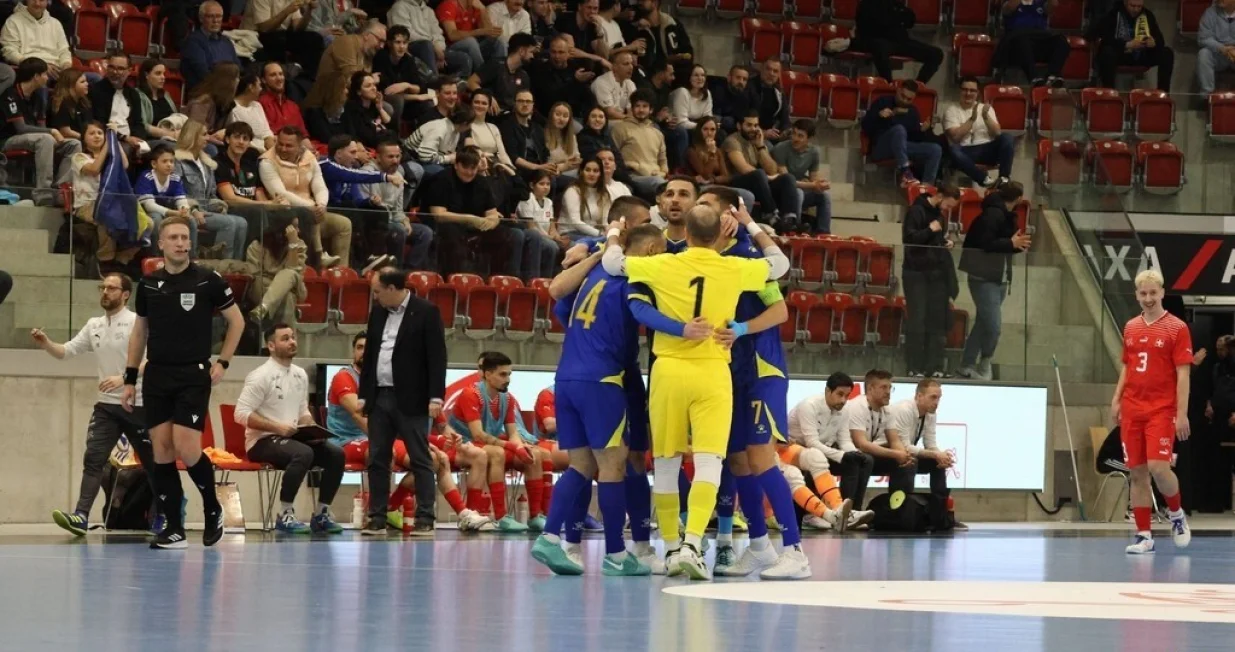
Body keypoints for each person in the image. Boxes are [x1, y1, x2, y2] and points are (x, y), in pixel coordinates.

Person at [600, 203, 794, 580]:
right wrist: (750, 223)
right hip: (712, 371)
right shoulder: (735, 267)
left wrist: (613, 232)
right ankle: (693, 544)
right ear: (719, 235)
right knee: (709, 462)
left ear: (685, 234)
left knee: (668, 463)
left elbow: (612, 264)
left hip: (669, 370)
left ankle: (671, 548)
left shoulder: (663, 264)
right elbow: (780, 264)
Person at [689, 187, 815, 579]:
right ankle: (759, 546)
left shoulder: (748, 255)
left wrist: (742, 328)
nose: (699, 209)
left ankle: (795, 552)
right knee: (740, 461)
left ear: (728, 212)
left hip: (762, 369)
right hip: (731, 373)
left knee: (762, 458)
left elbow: (779, 311)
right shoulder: (712, 257)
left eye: (706, 204)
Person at [530, 225, 665, 576]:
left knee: (580, 465)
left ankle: (549, 538)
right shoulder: (633, 280)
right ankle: (617, 555)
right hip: (603, 379)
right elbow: (647, 319)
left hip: (567, 377)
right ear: (650, 250)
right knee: (614, 463)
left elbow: (561, 307)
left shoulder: (594, 274)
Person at [121, 215, 245, 549]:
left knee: (188, 449)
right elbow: (139, 332)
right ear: (160, 243)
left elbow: (237, 322)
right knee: (161, 450)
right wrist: (130, 378)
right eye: (172, 237)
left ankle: (212, 508)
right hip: (158, 375)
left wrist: (223, 362)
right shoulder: (148, 284)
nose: (179, 243)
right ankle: (174, 527)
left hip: (193, 374)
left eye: (184, 237)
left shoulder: (208, 280)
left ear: (190, 243)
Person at [35, 273, 161, 536]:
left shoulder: (138, 322)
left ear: (126, 294)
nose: (105, 292)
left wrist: (125, 377)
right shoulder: (94, 324)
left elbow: (154, 360)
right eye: (102, 287)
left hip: (138, 405)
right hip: (106, 407)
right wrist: (46, 343)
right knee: (93, 459)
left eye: (112, 288)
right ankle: (81, 516)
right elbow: (67, 351)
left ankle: (163, 517)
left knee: (154, 463)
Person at [329, 332, 494, 530]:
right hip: (349, 439)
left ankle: (462, 514)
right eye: (360, 348)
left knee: (436, 459)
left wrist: (448, 435)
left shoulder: (393, 382)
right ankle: (378, 513)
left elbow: (436, 422)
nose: (365, 352)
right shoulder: (344, 377)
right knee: (390, 451)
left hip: (387, 436)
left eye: (370, 348)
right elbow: (360, 415)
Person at [357, 268, 449, 536]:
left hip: (413, 397)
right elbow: (371, 354)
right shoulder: (378, 313)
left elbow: (437, 357)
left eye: (377, 291)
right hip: (380, 395)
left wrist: (435, 396)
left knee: (421, 458)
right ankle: (376, 516)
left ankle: (425, 518)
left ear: (393, 288)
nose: (374, 297)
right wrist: (365, 394)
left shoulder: (426, 311)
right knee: (377, 458)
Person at [1110, 269, 1193, 553]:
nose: (1148, 298)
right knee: (1137, 472)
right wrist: (1116, 399)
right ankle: (1144, 535)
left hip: (1161, 409)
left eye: (1153, 293)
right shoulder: (1131, 327)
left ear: (1162, 293)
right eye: (1143, 294)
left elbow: (1183, 375)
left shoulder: (1176, 328)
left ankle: (1176, 514)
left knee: (1159, 467)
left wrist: (1181, 414)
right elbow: (1127, 366)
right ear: (1137, 295)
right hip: (1133, 408)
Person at [235, 324, 346, 534]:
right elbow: (240, 413)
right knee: (303, 453)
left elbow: (302, 409)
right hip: (262, 441)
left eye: (293, 337)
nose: (292, 342)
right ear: (271, 345)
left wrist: (311, 428)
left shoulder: (300, 374)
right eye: (285, 338)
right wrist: (277, 427)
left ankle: (322, 513)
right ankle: (285, 514)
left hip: (293, 438)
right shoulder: (260, 376)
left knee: (335, 454)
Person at [448, 351, 552, 531]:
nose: (508, 379)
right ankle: (502, 516)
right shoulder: (470, 394)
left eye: (509, 374)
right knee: (497, 453)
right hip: (463, 443)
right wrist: (513, 447)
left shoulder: (508, 398)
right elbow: (478, 434)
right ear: (488, 375)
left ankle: (535, 516)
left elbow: (512, 433)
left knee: (533, 453)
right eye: (503, 374)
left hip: (490, 443)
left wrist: (520, 447)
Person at [957, 180, 1032, 380]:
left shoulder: (1007, 216)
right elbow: (986, 243)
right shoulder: (992, 214)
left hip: (1000, 276)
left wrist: (1016, 245)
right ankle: (985, 361)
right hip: (984, 277)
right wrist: (1010, 242)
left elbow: (1004, 244)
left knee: (983, 322)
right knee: (993, 325)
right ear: (1018, 198)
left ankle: (967, 363)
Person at [782, 372, 876, 530]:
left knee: (862, 460)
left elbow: (844, 440)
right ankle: (810, 515)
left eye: (847, 396)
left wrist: (854, 454)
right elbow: (812, 442)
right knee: (817, 457)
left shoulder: (844, 410)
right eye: (840, 394)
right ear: (827, 391)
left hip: (820, 451)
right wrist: (843, 455)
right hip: (795, 452)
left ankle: (850, 514)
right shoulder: (809, 405)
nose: (843, 400)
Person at [424, 146, 527, 278]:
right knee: (452, 236)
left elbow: (492, 213)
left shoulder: (482, 182)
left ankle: (498, 279)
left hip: (476, 226)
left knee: (509, 236)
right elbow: (439, 214)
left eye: (473, 168)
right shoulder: (442, 179)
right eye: (465, 167)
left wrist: (492, 222)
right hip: (448, 225)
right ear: (456, 165)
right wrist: (469, 218)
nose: (469, 172)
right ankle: (456, 279)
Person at [259, 126, 354, 268]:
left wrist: (321, 204)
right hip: (285, 214)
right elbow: (279, 193)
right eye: (280, 144)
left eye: (289, 145)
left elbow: (320, 186)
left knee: (343, 224)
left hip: (313, 210)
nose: (283, 148)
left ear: (299, 146)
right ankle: (317, 258)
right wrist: (310, 207)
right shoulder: (266, 161)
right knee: (307, 215)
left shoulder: (309, 158)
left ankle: (341, 273)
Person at [0, 57, 78, 206]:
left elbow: (41, 125)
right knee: (46, 139)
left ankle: (60, 192)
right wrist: (52, 131)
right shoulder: (10, 95)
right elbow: (20, 128)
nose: (47, 78)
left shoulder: (39, 97)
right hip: (9, 139)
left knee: (73, 144)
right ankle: (43, 194)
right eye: (44, 74)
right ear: (36, 76)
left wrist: (49, 132)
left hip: (35, 138)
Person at [902, 182, 960, 378]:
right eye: (949, 205)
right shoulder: (916, 211)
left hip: (935, 274)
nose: (949, 210)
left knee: (936, 320)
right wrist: (929, 230)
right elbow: (909, 239)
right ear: (941, 196)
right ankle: (914, 367)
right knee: (917, 319)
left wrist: (945, 242)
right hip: (916, 273)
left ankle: (934, 367)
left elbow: (934, 240)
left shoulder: (939, 217)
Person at [173, 121, 249, 260]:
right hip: (188, 211)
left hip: (206, 210)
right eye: (204, 134)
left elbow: (212, 194)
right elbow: (175, 192)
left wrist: (219, 206)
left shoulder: (207, 164)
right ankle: (221, 266)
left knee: (242, 222)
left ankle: (235, 265)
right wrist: (194, 209)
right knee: (229, 223)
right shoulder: (177, 161)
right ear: (192, 136)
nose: (208, 138)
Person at [885, 379, 958, 514]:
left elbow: (930, 444)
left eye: (939, 398)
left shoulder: (930, 413)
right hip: (887, 451)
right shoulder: (904, 409)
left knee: (937, 463)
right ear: (919, 396)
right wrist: (935, 454)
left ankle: (941, 513)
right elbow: (904, 447)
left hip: (904, 452)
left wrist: (941, 456)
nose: (936, 402)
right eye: (933, 397)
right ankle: (902, 512)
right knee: (910, 462)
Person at [364, 138, 433, 270]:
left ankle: (409, 271)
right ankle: (396, 270)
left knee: (425, 232)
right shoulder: (368, 173)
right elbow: (373, 207)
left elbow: (398, 211)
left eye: (397, 156)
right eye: (390, 157)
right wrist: (399, 223)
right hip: (375, 222)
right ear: (378, 157)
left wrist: (405, 220)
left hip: (392, 220)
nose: (395, 161)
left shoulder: (398, 176)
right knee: (399, 230)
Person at [723, 109, 798, 226]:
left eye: (756, 125)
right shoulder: (732, 141)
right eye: (749, 125)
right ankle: (770, 214)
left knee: (788, 178)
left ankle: (790, 219)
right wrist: (767, 177)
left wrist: (760, 146)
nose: (753, 129)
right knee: (758, 174)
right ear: (739, 126)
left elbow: (772, 169)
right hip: (736, 181)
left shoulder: (756, 141)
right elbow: (743, 169)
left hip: (758, 182)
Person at [861, 79, 940, 188]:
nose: (904, 100)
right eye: (902, 96)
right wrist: (879, 116)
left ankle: (926, 188)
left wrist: (922, 131)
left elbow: (914, 139)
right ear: (898, 91)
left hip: (903, 147)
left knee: (935, 149)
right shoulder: (883, 102)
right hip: (881, 147)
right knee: (899, 129)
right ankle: (905, 173)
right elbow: (865, 126)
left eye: (909, 99)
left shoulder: (913, 112)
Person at [836, 368, 895, 511]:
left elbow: (895, 440)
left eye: (890, 387)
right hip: (840, 449)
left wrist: (903, 455)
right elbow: (861, 443)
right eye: (883, 387)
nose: (888, 392)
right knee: (863, 459)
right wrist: (896, 454)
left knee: (905, 464)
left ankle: (898, 512)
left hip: (861, 452)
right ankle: (850, 511)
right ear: (870, 388)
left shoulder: (888, 410)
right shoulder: (858, 406)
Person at [943, 77, 1015, 188]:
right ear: (960, 91)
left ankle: (1004, 178)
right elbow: (955, 138)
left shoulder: (985, 108)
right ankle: (984, 179)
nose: (968, 93)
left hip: (986, 150)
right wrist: (972, 119)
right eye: (965, 90)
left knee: (1007, 137)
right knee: (953, 149)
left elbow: (997, 133)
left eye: (972, 91)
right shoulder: (951, 110)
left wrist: (986, 117)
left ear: (977, 93)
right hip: (965, 152)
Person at [305, 21, 388, 116]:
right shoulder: (346, 43)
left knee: (386, 108)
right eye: (379, 40)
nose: (382, 46)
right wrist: (372, 80)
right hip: (327, 99)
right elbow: (353, 80)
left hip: (351, 98)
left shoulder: (368, 53)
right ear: (366, 35)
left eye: (384, 42)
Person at [1087, 0, 1172, 91]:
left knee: (1167, 53)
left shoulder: (1147, 14)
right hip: (1121, 55)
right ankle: (1108, 92)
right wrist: (1126, 44)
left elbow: (1160, 40)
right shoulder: (1114, 14)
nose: (1136, 9)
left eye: (1139, 6)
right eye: (1133, 6)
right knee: (1107, 52)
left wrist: (1154, 42)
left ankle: (1163, 93)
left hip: (1142, 54)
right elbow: (1101, 37)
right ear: (1125, 3)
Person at [852, 0, 943, 83]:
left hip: (900, 41)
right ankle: (888, 85)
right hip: (877, 40)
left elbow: (910, 20)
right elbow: (874, 25)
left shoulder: (895, 4)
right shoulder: (867, 3)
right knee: (880, 48)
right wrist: (898, 16)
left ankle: (916, 87)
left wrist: (897, 16)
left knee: (936, 54)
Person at [241, 0, 327, 82]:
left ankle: (309, 78)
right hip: (256, 35)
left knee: (315, 38)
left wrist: (309, 10)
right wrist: (286, 11)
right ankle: (283, 79)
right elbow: (264, 28)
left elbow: (297, 27)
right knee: (278, 39)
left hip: (280, 34)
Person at [772, 119, 832, 234]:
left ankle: (823, 233)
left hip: (800, 187)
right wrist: (812, 184)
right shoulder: (781, 148)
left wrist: (820, 185)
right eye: (794, 134)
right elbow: (786, 179)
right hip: (781, 191)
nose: (795, 138)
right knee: (798, 193)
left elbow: (813, 179)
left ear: (809, 139)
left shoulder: (813, 152)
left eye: (800, 136)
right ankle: (795, 230)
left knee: (824, 196)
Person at [997, 0, 1070, 87]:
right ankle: (1033, 77)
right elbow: (1007, 9)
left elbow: (1052, 6)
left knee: (1061, 41)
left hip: (1039, 39)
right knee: (1022, 41)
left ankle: (1052, 75)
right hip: (1016, 43)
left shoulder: (1040, 3)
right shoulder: (1011, 3)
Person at [611, 89, 668, 200]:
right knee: (660, 184)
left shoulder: (657, 133)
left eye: (645, 106)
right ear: (632, 108)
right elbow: (613, 156)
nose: (641, 110)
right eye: (637, 106)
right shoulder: (620, 128)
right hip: (632, 176)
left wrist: (662, 172)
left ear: (651, 110)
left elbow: (663, 161)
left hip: (655, 176)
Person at [0, 0, 71, 90]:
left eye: (41, 0)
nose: (37, 3)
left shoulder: (55, 23)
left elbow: (64, 51)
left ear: (47, 2)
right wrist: (38, 66)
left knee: (92, 78)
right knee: (41, 82)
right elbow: (9, 51)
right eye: (34, 0)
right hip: (30, 71)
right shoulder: (13, 21)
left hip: (56, 70)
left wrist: (66, 65)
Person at [88, 51, 148, 156]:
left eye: (120, 68)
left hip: (131, 139)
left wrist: (139, 140)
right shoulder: (97, 91)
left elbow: (138, 123)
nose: (115, 72)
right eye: (111, 67)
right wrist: (125, 138)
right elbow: (99, 123)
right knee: (124, 150)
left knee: (163, 149)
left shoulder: (133, 94)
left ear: (129, 71)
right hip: (108, 138)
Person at [387, 0, 470, 75]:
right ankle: (435, 84)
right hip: (411, 48)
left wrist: (439, 48)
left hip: (434, 49)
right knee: (426, 46)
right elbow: (403, 35)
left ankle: (455, 87)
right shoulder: (399, 7)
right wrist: (433, 45)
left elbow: (437, 33)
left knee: (464, 59)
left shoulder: (429, 10)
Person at [373, 25, 435, 124]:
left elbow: (421, 88)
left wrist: (406, 85)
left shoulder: (408, 60)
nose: (402, 46)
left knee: (427, 104)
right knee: (398, 100)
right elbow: (387, 91)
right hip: (386, 100)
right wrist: (416, 97)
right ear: (389, 43)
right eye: (397, 42)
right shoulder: (381, 57)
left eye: (405, 43)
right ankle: (394, 135)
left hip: (406, 101)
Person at [468, 32, 537, 115]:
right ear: (521, 51)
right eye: (531, 52)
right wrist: (487, 97)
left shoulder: (524, 76)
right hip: (491, 114)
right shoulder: (496, 65)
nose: (533, 56)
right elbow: (471, 82)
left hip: (511, 117)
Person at [181, 2, 240, 92]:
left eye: (219, 16)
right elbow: (203, 73)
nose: (215, 20)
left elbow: (238, 68)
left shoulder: (226, 41)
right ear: (201, 19)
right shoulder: (193, 41)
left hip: (229, 90)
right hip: (205, 92)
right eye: (210, 16)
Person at [438, 0, 507, 77]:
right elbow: (452, 35)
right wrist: (478, 32)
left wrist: (483, 9)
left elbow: (489, 33)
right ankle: (483, 77)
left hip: (474, 47)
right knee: (471, 41)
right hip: (451, 48)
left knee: (499, 41)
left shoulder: (475, 6)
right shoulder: (449, 4)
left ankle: (501, 76)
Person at [183, 62, 241, 149]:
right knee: (212, 149)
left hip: (213, 141)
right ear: (227, 81)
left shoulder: (227, 103)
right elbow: (195, 131)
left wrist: (226, 132)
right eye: (236, 77)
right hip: (195, 142)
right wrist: (214, 137)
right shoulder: (202, 102)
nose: (238, 80)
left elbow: (231, 128)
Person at [134, 59, 181, 145]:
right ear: (146, 75)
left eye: (163, 73)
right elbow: (144, 126)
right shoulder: (137, 95)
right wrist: (170, 134)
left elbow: (175, 117)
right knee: (175, 148)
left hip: (171, 137)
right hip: (150, 140)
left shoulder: (166, 95)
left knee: (208, 147)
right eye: (158, 73)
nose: (163, 77)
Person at [228, 71, 276, 153]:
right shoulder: (233, 108)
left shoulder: (257, 105)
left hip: (266, 152)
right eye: (259, 85)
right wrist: (262, 153)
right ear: (251, 87)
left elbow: (266, 133)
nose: (261, 89)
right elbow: (238, 138)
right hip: (248, 152)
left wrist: (273, 153)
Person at [1196, 0, 1235, 96]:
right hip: (1218, 54)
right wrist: (1221, 48)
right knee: (1203, 54)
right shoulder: (1210, 12)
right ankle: (1207, 96)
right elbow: (1203, 38)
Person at [745, 59, 790, 142]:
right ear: (761, 69)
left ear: (779, 75)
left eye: (775, 71)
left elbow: (785, 118)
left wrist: (784, 132)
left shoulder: (779, 91)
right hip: (752, 133)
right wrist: (763, 132)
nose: (771, 73)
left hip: (773, 134)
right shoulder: (749, 87)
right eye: (768, 69)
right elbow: (743, 118)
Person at [258, 62, 308, 136]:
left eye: (281, 74)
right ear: (263, 80)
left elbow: (303, 135)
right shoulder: (260, 104)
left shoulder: (293, 106)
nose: (279, 78)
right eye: (273, 75)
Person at [591, 51, 637, 121]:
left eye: (631, 63)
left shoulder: (630, 83)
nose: (631, 67)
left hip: (622, 119)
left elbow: (631, 110)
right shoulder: (602, 82)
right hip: (604, 121)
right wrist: (629, 119)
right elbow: (610, 113)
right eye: (626, 64)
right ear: (614, 67)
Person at [47, 69, 90, 143]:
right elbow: (65, 132)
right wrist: (85, 138)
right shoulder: (61, 103)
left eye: (86, 81)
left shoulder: (84, 102)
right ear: (71, 85)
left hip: (81, 138)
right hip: (63, 140)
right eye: (82, 82)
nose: (87, 84)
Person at [669, 64, 712, 131]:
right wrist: (703, 126)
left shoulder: (707, 93)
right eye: (696, 75)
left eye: (703, 75)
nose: (700, 78)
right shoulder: (682, 92)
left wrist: (711, 125)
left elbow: (708, 118)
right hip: (676, 127)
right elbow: (681, 123)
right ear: (689, 77)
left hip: (696, 125)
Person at [712, 65, 751, 135]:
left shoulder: (745, 97)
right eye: (738, 78)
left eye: (744, 79)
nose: (741, 82)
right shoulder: (718, 92)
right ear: (729, 78)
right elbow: (714, 117)